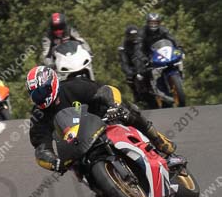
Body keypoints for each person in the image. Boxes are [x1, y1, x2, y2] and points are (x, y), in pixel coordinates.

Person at [25, 66, 178, 173]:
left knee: (128, 111)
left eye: (43, 91)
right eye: (36, 95)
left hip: (102, 119)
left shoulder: (74, 86)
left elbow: (105, 90)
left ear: (53, 83)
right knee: (76, 169)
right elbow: (41, 148)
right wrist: (54, 162)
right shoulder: (38, 116)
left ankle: (158, 140)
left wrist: (114, 105)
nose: (41, 97)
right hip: (75, 146)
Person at [133, 13, 183, 88]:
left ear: (159, 23)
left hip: (163, 51)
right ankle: (150, 86)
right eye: (151, 23)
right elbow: (138, 47)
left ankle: (179, 74)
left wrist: (179, 46)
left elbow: (172, 38)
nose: (153, 25)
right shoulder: (142, 33)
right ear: (147, 23)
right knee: (142, 72)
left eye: (155, 23)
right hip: (149, 54)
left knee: (179, 59)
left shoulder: (163, 30)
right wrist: (143, 58)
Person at [118, 25, 141, 99]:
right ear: (127, 36)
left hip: (145, 64)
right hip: (134, 67)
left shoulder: (142, 42)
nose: (133, 38)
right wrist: (129, 72)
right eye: (131, 36)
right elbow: (124, 62)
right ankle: (136, 94)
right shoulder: (123, 47)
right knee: (130, 79)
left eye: (135, 35)